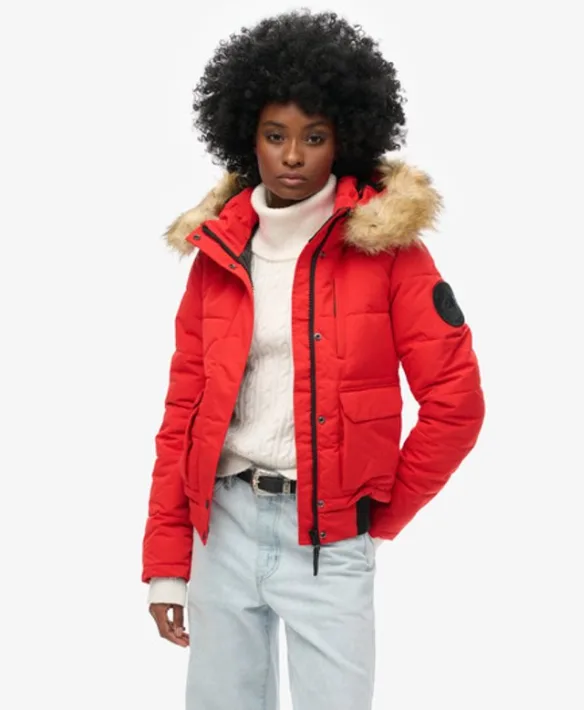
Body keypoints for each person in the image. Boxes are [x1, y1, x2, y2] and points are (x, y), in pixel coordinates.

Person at [141, 9, 485, 710]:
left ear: (345, 139)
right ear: (248, 137)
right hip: (223, 529)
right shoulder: (217, 254)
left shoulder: (388, 251)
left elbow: (456, 403)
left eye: (314, 136)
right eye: (275, 136)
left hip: (330, 541)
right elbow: (183, 416)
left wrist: (376, 517)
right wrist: (167, 563)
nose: (293, 156)